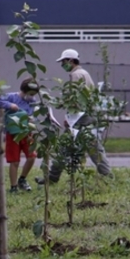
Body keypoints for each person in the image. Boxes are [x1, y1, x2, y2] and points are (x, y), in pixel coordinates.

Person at [44, 48, 112, 183]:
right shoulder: (84, 73)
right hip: (87, 116)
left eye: (63, 61)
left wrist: (62, 105)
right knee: (91, 149)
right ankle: (52, 177)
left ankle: (52, 178)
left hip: (80, 118)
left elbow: (76, 99)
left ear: (70, 60)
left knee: (78, 147)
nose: (62, 64)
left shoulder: (76, 75)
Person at [0, 78, 39, 193]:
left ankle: (22, 179)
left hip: (28, 133)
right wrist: (9, 105)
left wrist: (33, 119)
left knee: (32, 156)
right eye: (31, 94)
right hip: (13, 134)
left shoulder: (32, 101)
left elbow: (35, 114)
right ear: (24, 91)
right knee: (15, 161)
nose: (32, 97)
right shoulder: (12, 97)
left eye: (34, 95)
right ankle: (13, 187)